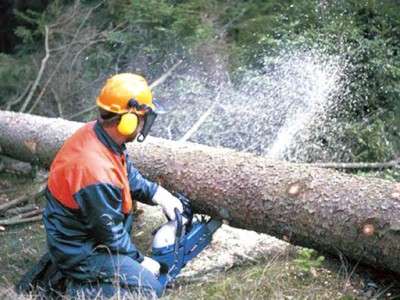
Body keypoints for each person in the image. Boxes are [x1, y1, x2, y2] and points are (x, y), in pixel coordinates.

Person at [42, 73, 183, 298]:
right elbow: (108, 232)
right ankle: (79, 289)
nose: (144, 124)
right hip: (81, 250)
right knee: (149, 289)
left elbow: (126, 175)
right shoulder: (94, 169)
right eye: (143, 118)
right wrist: (140, 261)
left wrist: (158, 194)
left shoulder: (99, 135)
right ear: (129, 121)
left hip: (81, 234)